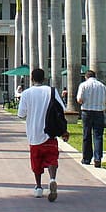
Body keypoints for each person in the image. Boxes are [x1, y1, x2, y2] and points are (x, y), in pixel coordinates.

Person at [17, 68, 69, 201]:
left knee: (36, 162)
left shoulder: (26, 93)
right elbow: (62, 109)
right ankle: (52, 179)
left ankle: (39, 187)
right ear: (44, 78)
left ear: (32, 79)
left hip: (34, 133)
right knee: (52, 158)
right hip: (50, 132)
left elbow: (21, 114)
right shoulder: (51, 91)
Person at [76, 69, 106, 168]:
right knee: (98, 136)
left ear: (86, 77)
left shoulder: (83, 85)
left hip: (87, 111)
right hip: (99, 112)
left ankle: (86, 158)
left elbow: (79, 99)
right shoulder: (102, 86)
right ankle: (97, 158)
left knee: (87, 135)